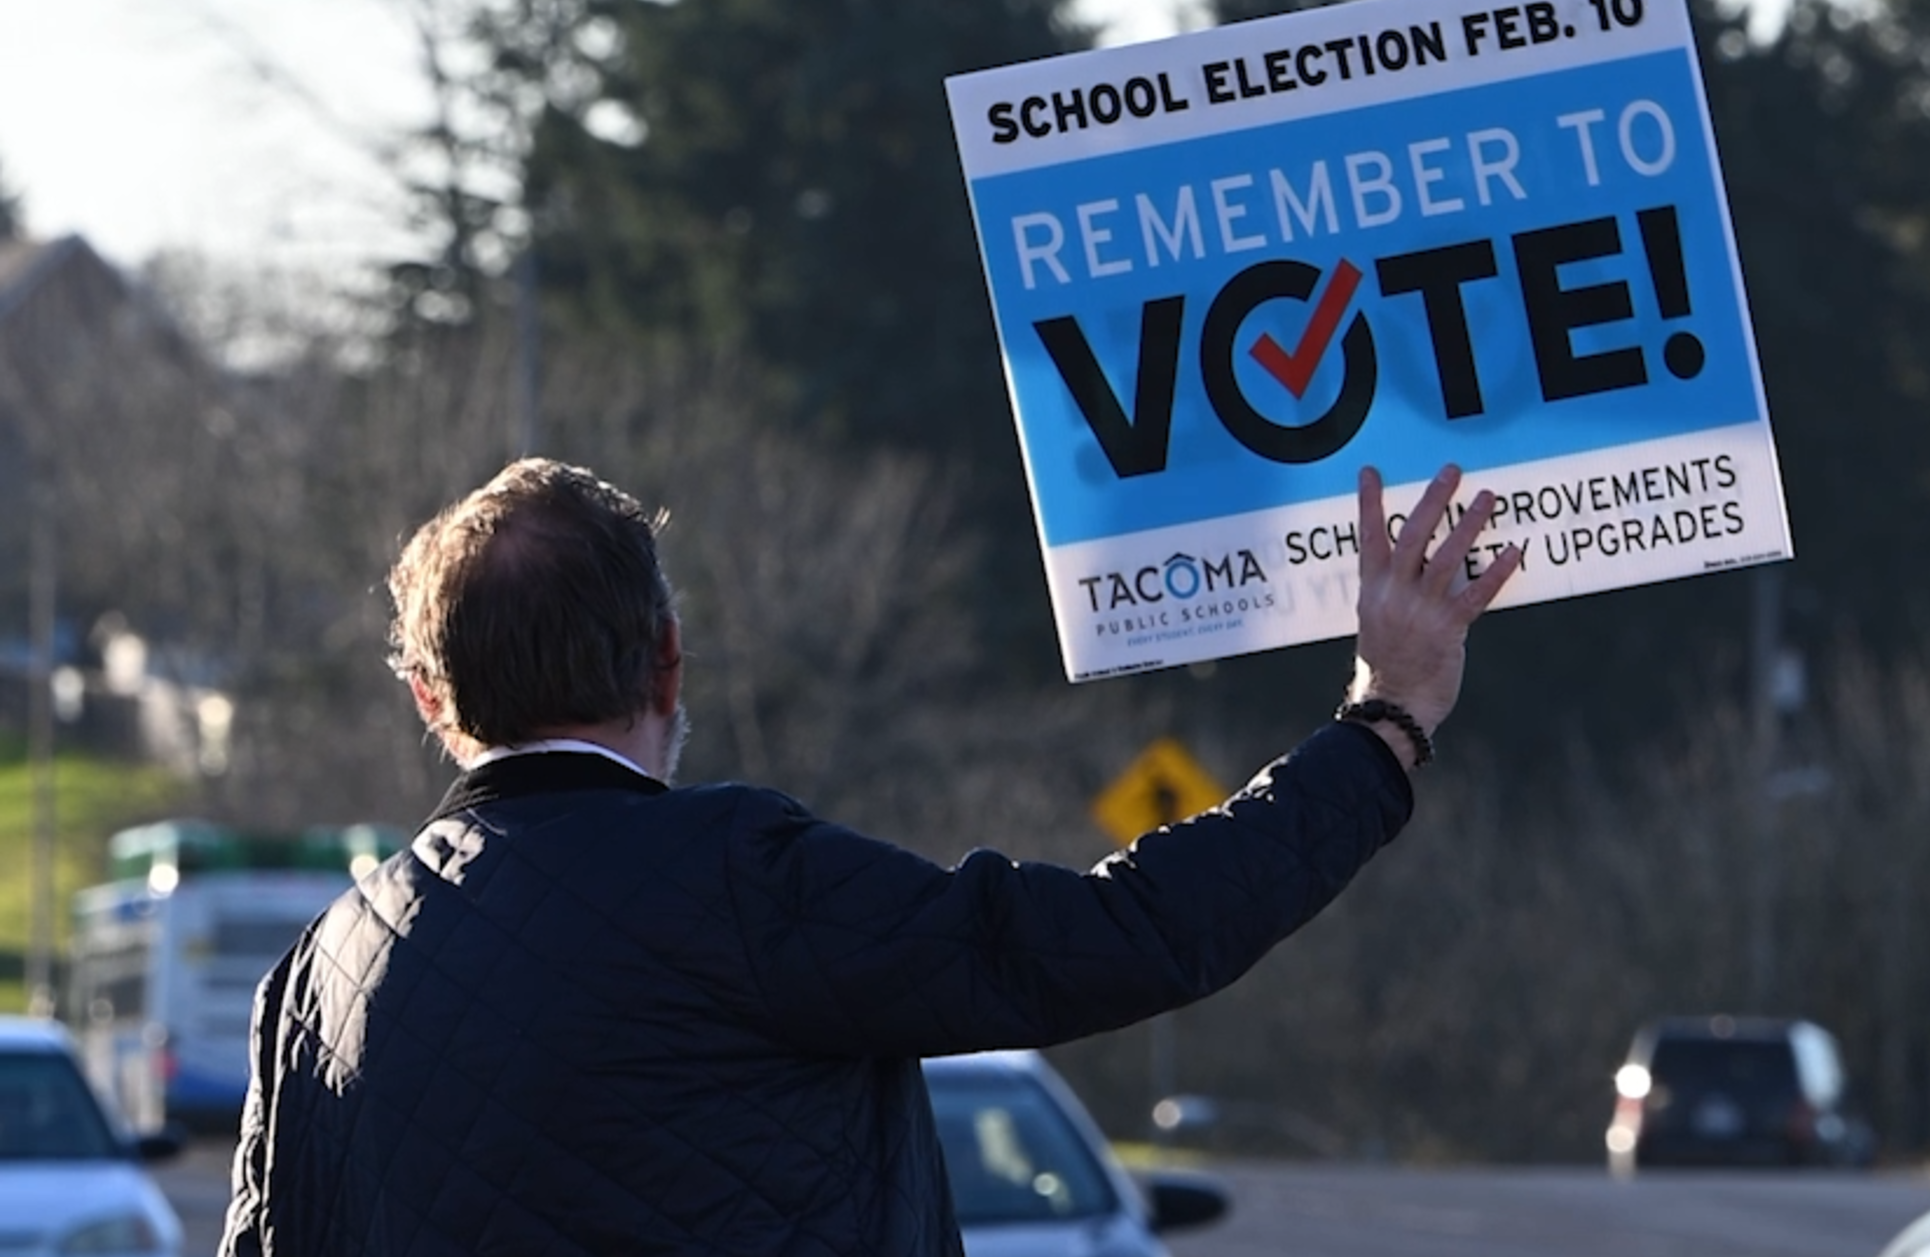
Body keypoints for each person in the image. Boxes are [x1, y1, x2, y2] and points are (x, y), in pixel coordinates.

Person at [218, 456, 1519, 1256]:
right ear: (668, 660)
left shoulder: (312, 981)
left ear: (430, 699)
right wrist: (1383, 722)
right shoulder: (739, 879)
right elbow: (1122, 936)